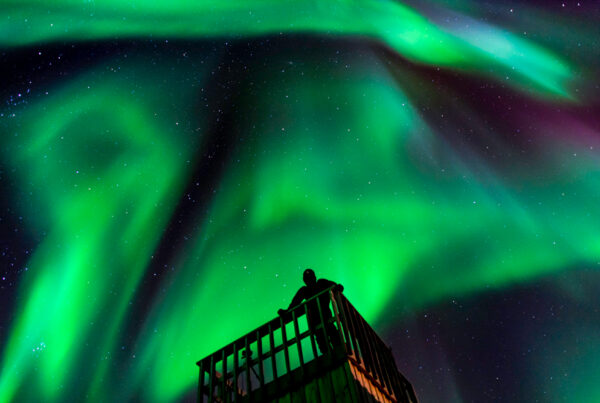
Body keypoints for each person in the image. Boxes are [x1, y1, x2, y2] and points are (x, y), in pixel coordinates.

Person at [278, 269, 343, 355]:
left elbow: (336, 286)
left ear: (314, 278)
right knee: (325, 348)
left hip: (327, 320)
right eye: (308, 279)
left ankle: (339, 354)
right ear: (305, 281)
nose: (310, 281)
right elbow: (295, 303)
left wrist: (337, 287)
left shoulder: (321, 282)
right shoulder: (305, 290)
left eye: (311, 278)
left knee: (337, 343)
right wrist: (287, 312)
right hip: (317, 324)